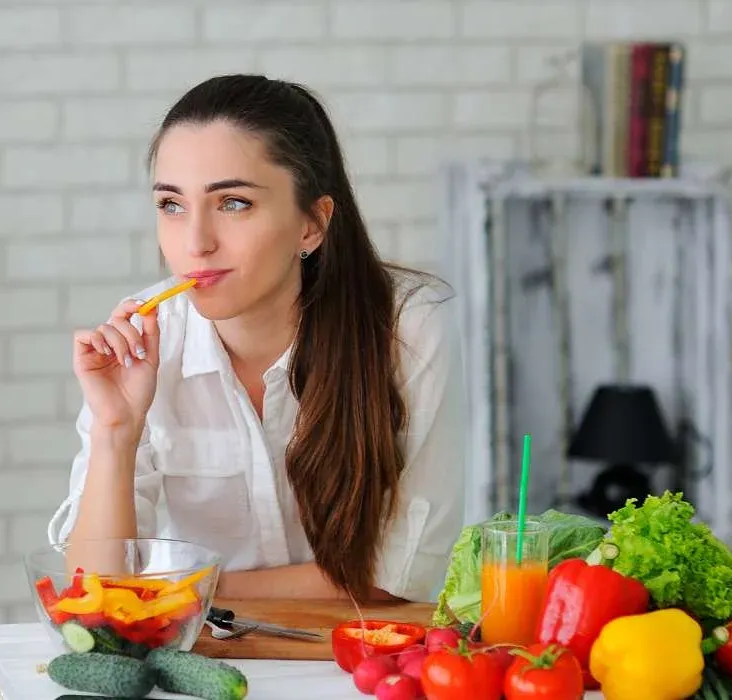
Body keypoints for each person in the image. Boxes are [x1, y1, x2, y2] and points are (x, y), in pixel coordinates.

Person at [46, 74, 466, 604]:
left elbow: (398, 576)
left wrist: (177, 592)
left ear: (312, 224)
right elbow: (97, 591)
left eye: (233, 203)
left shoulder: (408, 328)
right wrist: (115, 429)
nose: (195, 243)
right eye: (172, 205)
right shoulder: (145, 347)